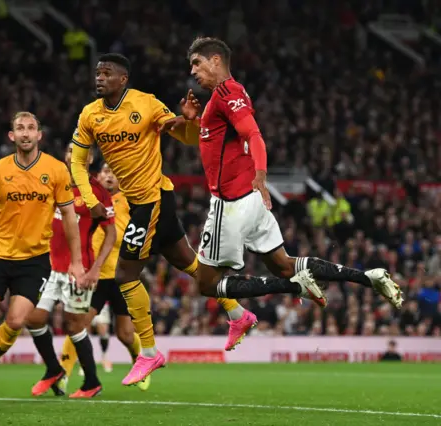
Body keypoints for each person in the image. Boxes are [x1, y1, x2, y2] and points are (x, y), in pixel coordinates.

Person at [70, 53, 321, 386]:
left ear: (123, 79)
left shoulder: (145, 105)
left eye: (106, 73)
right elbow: (77, 161)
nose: (99, 78)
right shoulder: (90, 115)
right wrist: (90, 201)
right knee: (188, 263)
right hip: (143, 199)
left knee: (126, 274)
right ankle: (237, 313)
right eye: (97, 73)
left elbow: (189, 137)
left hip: (153, 198)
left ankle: (149, 352)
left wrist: (189, 121)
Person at [165, 36, 403, 318]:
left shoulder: (227, 94)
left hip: (230, 203)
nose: (192, 71)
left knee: (207, 283)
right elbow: (216, 142)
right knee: (284, 264)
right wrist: (194, 120)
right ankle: (368, 277)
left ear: (215, 60)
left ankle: (293, 288)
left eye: (197, 63)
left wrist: (261, 176)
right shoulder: (227, 96)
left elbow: (253, 135)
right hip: (251, 200)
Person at [0, 112, 85, 407]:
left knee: (16, 320)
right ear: (11, 136)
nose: (25, 133)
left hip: (34, 259)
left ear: (39, 135)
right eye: (19, 128)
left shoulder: (56, 170)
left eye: (30, 128)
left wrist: (76, 260)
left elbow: (71, 217)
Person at [27, 144, 117, 399]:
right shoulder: (54, 183)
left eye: (78, 151)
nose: (71, 155)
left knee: (74, 324)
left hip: (80, 269)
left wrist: (95, 270)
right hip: (50, 267)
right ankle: (54, 369)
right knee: (33, 318)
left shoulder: (96, 192)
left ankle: (91, 382)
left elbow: (111, 233)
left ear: (88, 159)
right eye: (68, 150)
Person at [59, 163, 150, 392]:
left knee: (125, 334)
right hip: (94, 276)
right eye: (105, 172)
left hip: (121, 277)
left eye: (114, 173)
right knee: (78, 325)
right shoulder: (89, 201)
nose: (109, 176)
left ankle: (141, 364)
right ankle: (63, 375)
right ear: (97, 176)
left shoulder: (128, 202)